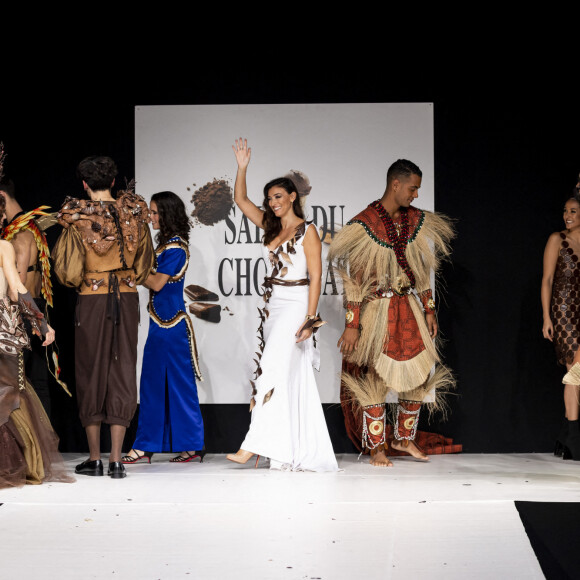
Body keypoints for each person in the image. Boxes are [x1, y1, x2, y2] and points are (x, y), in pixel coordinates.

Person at [328, 159, 455, 467]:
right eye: (412, 189)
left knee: (416, 372)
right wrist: (353, 325)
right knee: (377, 376)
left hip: (408, 307)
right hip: (378, 311)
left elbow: (421, 269)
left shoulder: (414, 221)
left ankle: (403, 439)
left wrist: (429, 309)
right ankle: (377, 446)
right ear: (396, 184)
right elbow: (356, 281)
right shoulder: (364, 225)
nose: (415, 195)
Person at [226, 138, 338, 471]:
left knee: (270, 370)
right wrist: (242, 168)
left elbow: (317, 278)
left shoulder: (309, 231)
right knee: (279, 374)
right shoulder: (271, 226)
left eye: (278, 197)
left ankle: (252, 445)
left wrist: (309, 319)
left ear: (292, 196)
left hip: (296, 304)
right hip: (273, 305)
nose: (273, 203)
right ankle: (285, 448)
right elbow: (240, 199)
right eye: (270, 199)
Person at [52, 156, 154, 479]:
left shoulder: (77, 216)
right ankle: (117, 460)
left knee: (90, 369)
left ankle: (94, 458)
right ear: (113, 182)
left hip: (93, 298)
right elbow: (143, 266)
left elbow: (66, 272)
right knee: (123, 367)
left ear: (84, 184)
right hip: (126, 297)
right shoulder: (134, 211)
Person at [0, 150, 71, 488]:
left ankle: (28, 458)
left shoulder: (14, 238)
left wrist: (39, 322)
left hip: (11, 322)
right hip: (16, 318)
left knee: (16, 390)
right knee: (18, 389)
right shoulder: (13, 238)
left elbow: (18, 286)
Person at [122, 191, 205, 465]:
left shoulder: (176, 248)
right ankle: (165, 445)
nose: (151, 217)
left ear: (167, 215)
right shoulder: (166, 246)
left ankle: (161, 446)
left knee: (173, 386)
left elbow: (157, 283)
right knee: (154, 385)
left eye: (155, 213)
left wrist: (135, 274)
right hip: (163, 325)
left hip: (171, 327)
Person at [0, 176, 57, 417]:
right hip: (9, 319)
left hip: (15, 315)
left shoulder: (18, 235)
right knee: (17, 387)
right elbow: (17, 287)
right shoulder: (8, 243)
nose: (3, 219)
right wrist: (40, 322)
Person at [542, 175, 580, 460]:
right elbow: (547, 280)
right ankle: (573, 438)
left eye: (573, 211)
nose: (566, 216)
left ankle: (565, 437)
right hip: (564, 311)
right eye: (565, 211)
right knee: (575, 372)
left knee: (576, 374)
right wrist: (547, 317)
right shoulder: (557, 239)